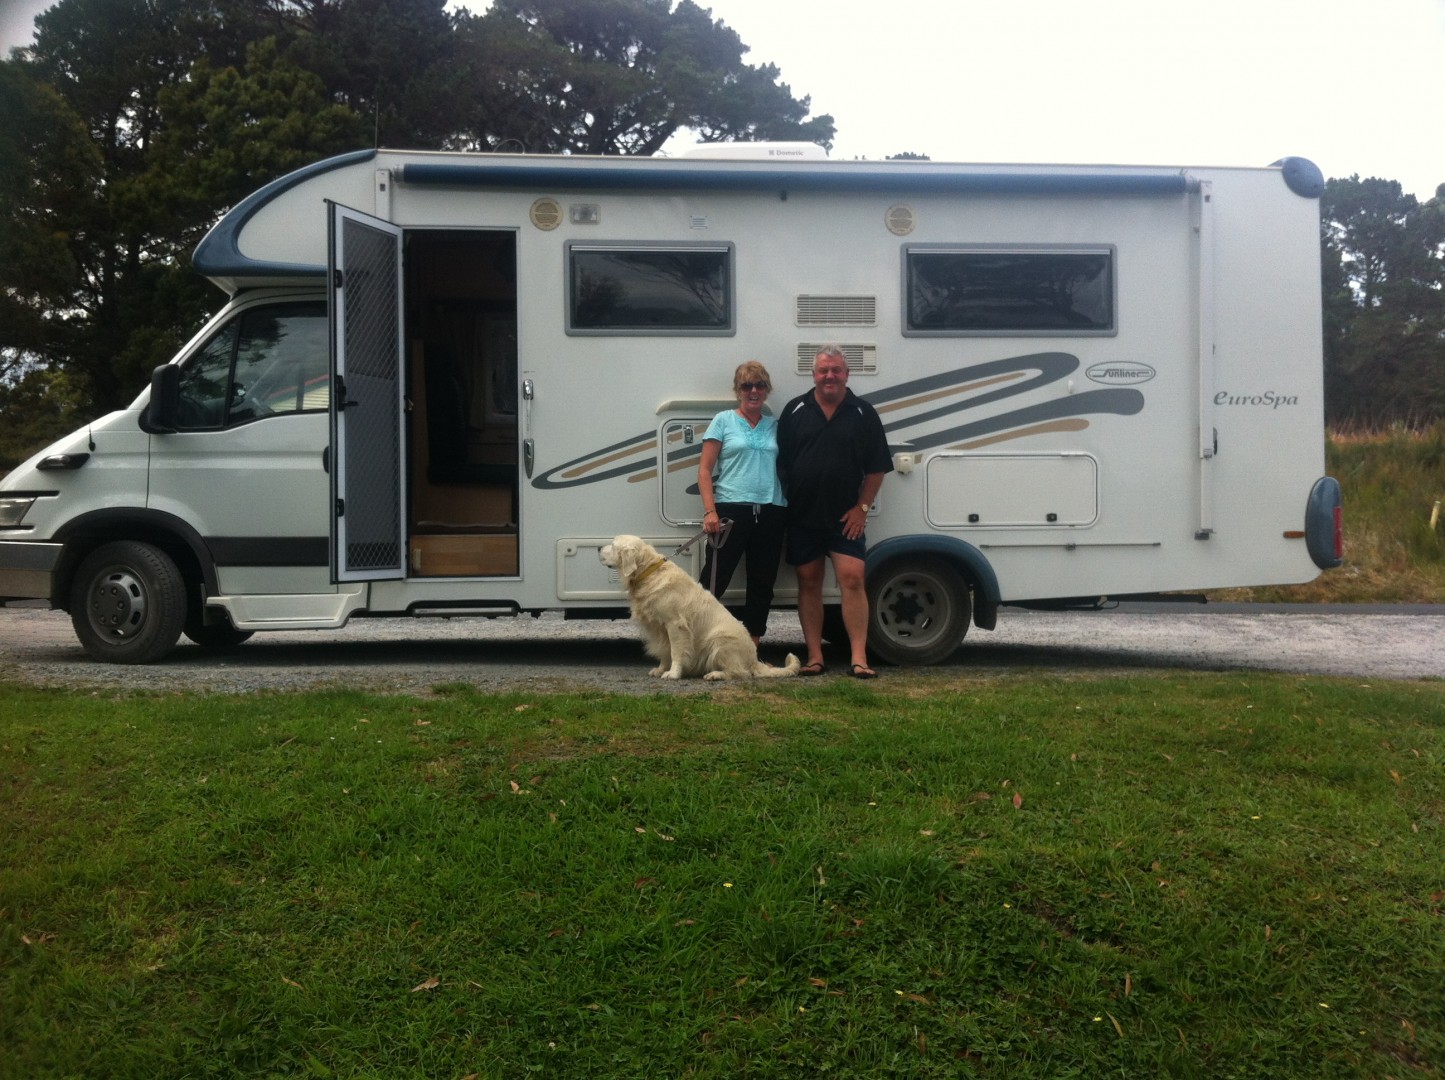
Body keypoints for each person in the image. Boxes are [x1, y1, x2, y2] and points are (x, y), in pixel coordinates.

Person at [777, 345, 893, 678]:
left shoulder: (863, 413)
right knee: (809, 582)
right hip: (803, 515)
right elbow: (781, 462)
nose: (830, 376)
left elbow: (877, 468)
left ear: (846, 374)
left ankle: (859, 658)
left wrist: (862, 508)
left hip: (846, 518)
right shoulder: (795, 409)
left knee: (853, 579)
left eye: (836, 370)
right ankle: (815, 656)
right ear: (813, 374)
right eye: (823, 370)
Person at [696, 360, 788, 646]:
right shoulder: (723, 420)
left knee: (762, 584)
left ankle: (751, 650)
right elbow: (704, 470)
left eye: (759, 385)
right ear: (738, 390)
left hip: (771, 511)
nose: (753, 391)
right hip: (731, 510)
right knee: (714, 580)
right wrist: (710, 511)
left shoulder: (775, 426)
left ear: (766, 390)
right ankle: (695, 645)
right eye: (747, 386)